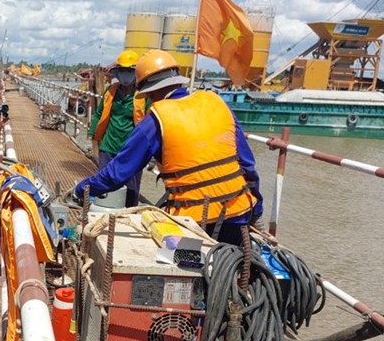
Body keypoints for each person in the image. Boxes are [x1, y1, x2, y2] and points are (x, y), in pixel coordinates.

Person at [75, 49, 263, 246]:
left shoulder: (156, 119)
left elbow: (116, 174)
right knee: (234, 266)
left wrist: (81, 189)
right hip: (240, 214)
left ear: (150, 91)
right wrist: (256, 209)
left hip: (192, 225)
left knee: (179, 267)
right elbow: (247, 164)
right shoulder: (216, 102)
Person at [88, 49, 147, 206]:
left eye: (129, 71)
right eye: (122, 70)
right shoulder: (111, 92)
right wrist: (92, 133)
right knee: (104, 186)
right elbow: (99, 113)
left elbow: (151, 123)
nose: (125, 74)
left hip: (132, 149)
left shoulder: (143, 96)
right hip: (109, 145)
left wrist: (152, 154)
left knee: (131, 190)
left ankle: (127, 218)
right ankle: (103, 217)